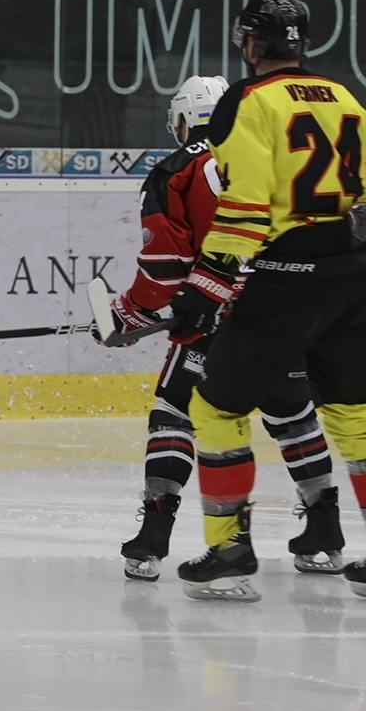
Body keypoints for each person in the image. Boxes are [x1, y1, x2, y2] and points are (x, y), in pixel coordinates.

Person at [104, 75, 344, 583]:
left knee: (175, 413)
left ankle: (154, 535)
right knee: (293, 416)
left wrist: (130, 312)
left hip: (211, 313)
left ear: (183, 119)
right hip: (282, 308)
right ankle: (325, 532)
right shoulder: (273, 157)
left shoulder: (174, 170)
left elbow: (165, 271)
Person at [166, 0, 366, 602]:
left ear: (250, 44)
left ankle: (230, 550)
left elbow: (246, 205)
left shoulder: (247, 101)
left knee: (214, 409)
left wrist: (206, 284)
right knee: (356, 415)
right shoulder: (345, 96)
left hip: (287, 278)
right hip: (352, 276)